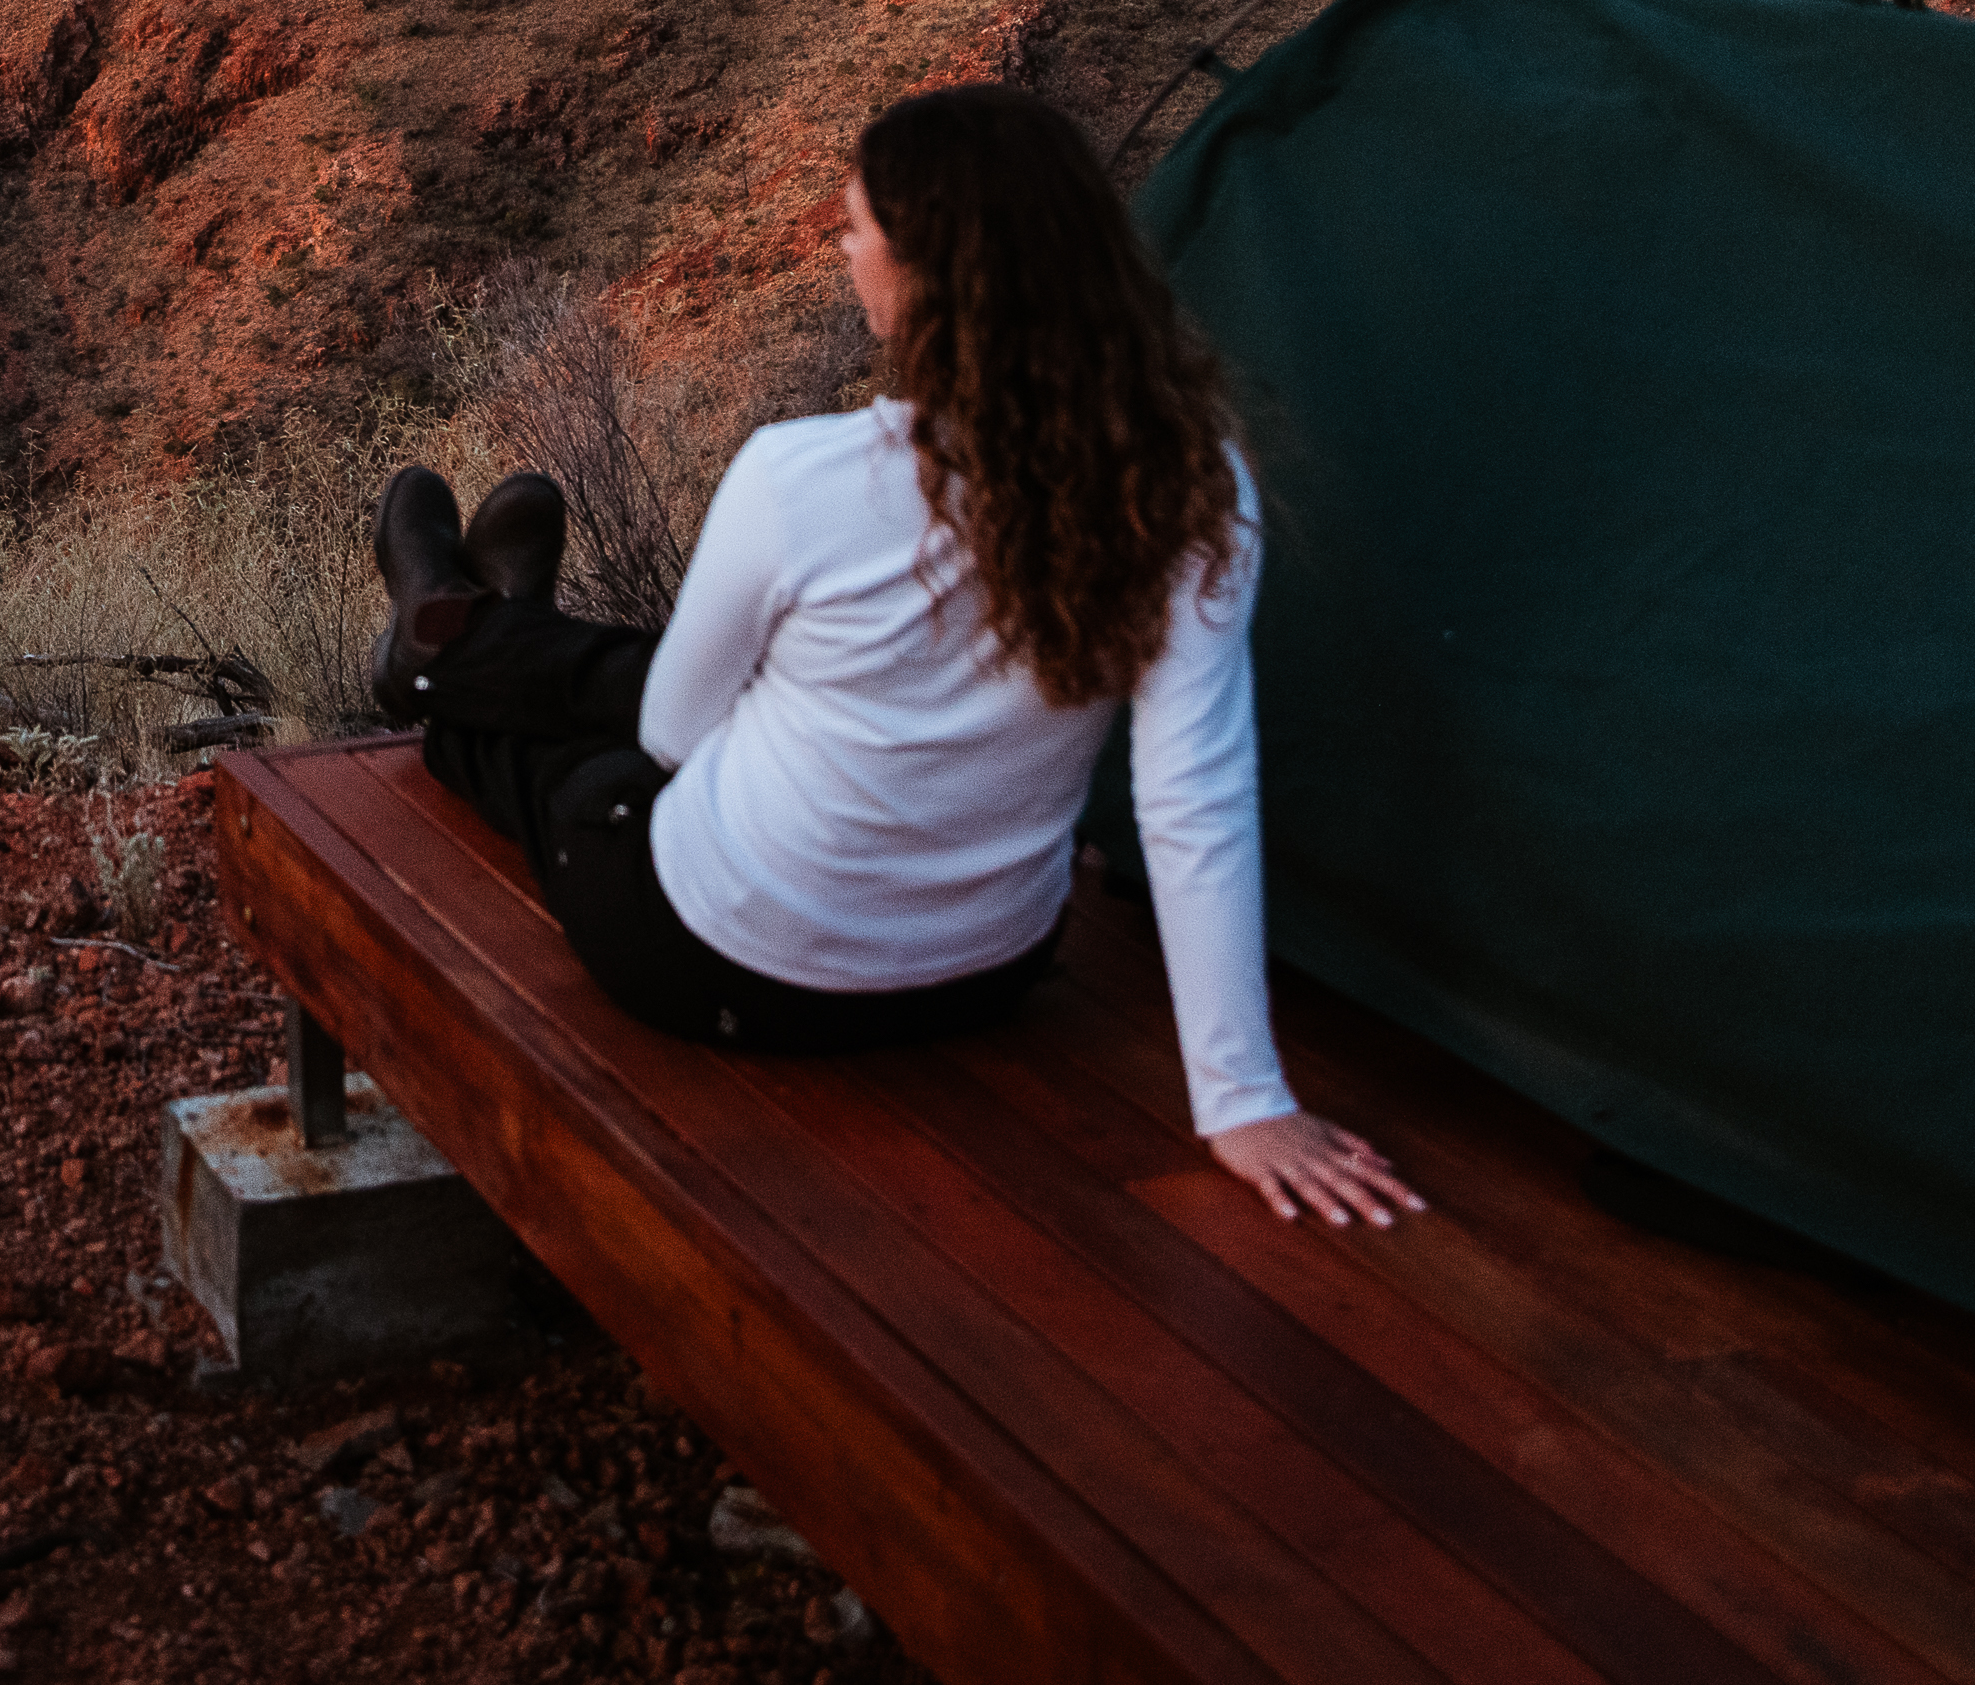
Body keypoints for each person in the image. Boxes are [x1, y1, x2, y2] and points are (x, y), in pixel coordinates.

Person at [371, 82, 1420, 1229]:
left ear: (922, 277)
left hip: (722, 965)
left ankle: (443, 659)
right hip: (988, 971)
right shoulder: (1188, 483)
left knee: (580, 780)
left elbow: (674, 731)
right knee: (672, 694)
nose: (842, 246)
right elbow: (1193, 795)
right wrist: (1242, 1099)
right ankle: (481, 621)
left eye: (854, 225)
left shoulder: (799, 476)